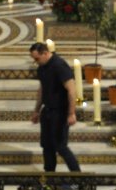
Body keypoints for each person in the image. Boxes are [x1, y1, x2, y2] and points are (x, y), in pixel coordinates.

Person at [29, 41, 80, 172]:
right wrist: (36, 111)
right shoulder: (42, 68)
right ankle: (49, 177)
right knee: (47, 146)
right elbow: (42, 90)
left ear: (45, 53)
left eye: (37, 58)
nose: (35, 62)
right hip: (48, 112)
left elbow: (71, 90)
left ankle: (78, 178)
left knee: (61, 146)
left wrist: (71, 113)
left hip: (61, 112)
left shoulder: (59, 66)